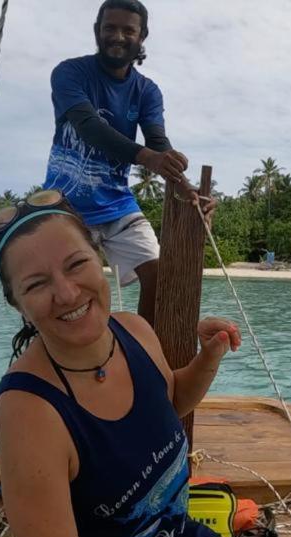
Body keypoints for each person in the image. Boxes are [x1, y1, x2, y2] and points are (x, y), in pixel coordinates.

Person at [0, 190, 269, 537]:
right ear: (17, 304)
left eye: (76, 264)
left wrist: (208, 358)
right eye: (36, 284)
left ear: (100, 256)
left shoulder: (134, 331)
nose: (67, 293)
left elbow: (168, 403)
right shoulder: (28, 408)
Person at [43, 0, 212, 326]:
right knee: (72, 291)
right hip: (65, 205)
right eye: (110, 28)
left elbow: (157, 142)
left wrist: (188, 190)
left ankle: (142, 352)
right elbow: (89, 127)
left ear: (142, 36)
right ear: (97, 31)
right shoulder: (69, 73)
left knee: (159, 277)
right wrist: (149, 158)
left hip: (118, 204)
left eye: (128, 30)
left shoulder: (147, 90)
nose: (117, 36)